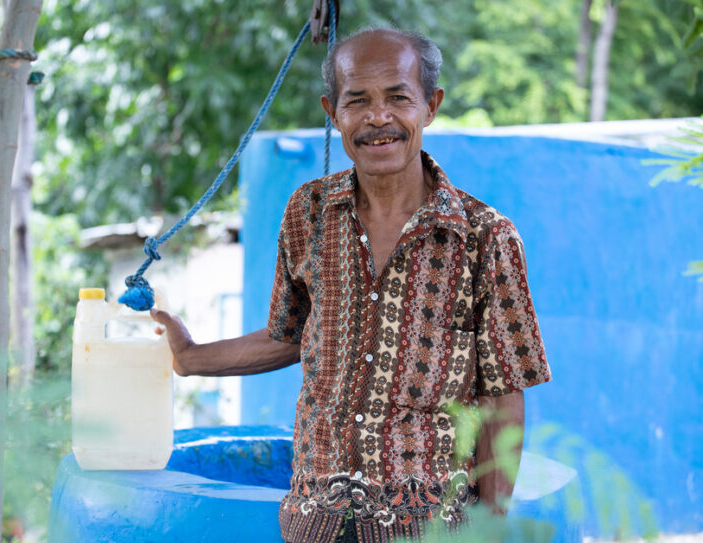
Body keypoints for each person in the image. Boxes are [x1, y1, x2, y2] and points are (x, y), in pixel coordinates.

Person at [151, 27, 551, 543]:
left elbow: (502, 395)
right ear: (332, 112)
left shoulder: (485, 236)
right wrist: (190, 357)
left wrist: (492, 525)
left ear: (430, 106)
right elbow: (290, 334)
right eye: (357, 100)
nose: (378, 117)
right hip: (313, 521)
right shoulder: (308, 212)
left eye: (398, 98)